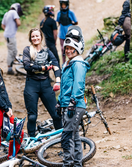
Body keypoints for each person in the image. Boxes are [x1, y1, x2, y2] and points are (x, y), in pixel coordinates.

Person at [56, 25, 90, 167]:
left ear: (77, 48)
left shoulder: (78, 64)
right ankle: (77, 164)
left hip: (74, 105)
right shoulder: (67, 64)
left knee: (66, 137)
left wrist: (72, 102)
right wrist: (59, 102)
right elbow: (65, 87)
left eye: (72, 49)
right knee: (74, 137)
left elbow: (79, 85)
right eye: (67, 48)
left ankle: (68, 164)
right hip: (68, 104)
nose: (69, 51)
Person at [22, 28, 62, 137]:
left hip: (45, 85)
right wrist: (43, 68)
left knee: (56, 114)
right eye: (33, 36)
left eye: (37, 36)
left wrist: (58, 81)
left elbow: (56, 65)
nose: (35, 38)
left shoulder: (47, 51)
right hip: (31, 85)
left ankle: (62, 139)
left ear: (41, 37)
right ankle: (32, 141)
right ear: (30, 38)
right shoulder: (27, 50)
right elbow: (27, 66)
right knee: (32, 117)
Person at [1, 3, 23, 75]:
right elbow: (18, 23)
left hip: (7, 35)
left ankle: (10, 66)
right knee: (11, 51)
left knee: (13, 50)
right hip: (10, 35)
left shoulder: (6, 13)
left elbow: (2, 25)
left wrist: (7, 30)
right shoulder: (14, 12)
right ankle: (9, 69)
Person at [56, 0, 78, 65]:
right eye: (62, 5)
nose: (63, 6)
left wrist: (72, 24)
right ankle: (64, 63)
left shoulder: (71, 12)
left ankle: (72, 61)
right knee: (63, 49)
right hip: (62, 33)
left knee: (71, 47)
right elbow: (58, 21)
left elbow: (76, 21)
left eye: (64, 5)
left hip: (70, 33)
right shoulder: (59, 13)